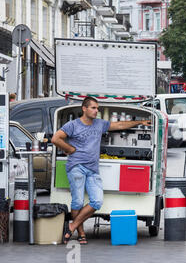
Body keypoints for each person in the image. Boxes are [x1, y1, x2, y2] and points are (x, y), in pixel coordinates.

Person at [51, 97, 151, 244]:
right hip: (76, 167)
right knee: (77, 202)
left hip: (92, 169)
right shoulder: (73, 125)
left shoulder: (99, 124)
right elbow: (55, 138)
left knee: (97, 201)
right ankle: (81, 233)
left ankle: (71, 226)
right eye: (93, 108)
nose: (96, 111)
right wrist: (70, 149)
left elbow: (119, 125)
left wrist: (140, 122)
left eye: (97, 108)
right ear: (84, 109)